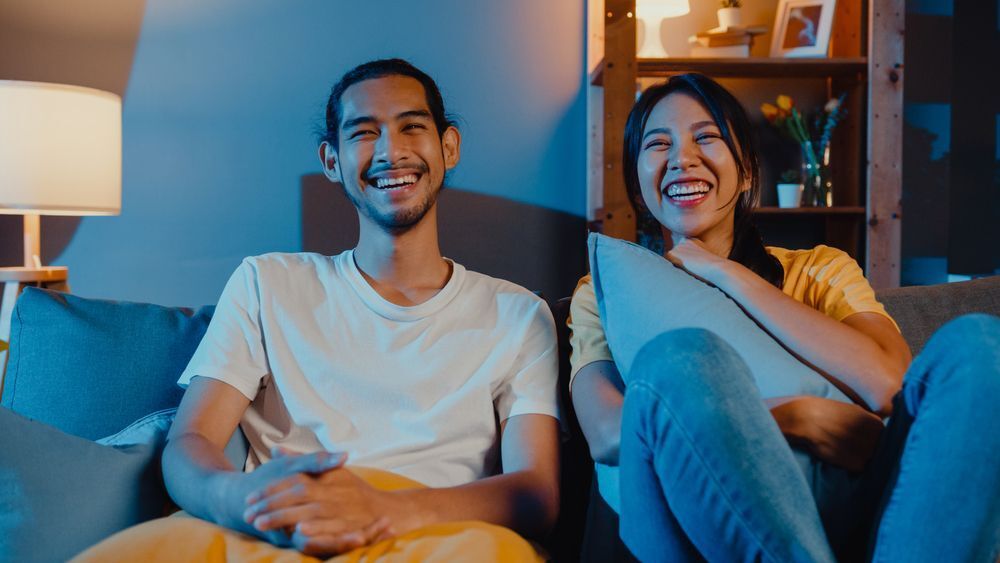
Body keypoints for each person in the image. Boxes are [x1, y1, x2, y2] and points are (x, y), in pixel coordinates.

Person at [79, 59, 561, 561]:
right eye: (364, 133)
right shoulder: (267, 283)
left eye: (412, 127)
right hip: (274, 530)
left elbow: (536, 494)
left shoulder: (519, 314)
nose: (391, 151)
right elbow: (191, 441)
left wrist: (381, 510)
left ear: (449, 147)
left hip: (436, 536)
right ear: (332, 161)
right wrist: (241, 499)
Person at [568, 73, 1000, 562]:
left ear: (748, 171)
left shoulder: (820, 268)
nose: (681, 158)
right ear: (639, 182)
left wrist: (726, 272)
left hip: (867, 509)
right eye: (657, 144)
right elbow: (606, 433)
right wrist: (797, 417)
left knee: (980, 345)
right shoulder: (603, 290)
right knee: (678, 358)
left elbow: (888, 384)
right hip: (702, 520)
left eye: (706, 137)